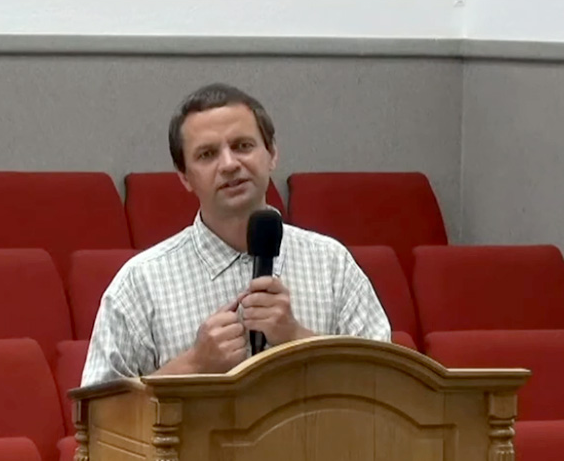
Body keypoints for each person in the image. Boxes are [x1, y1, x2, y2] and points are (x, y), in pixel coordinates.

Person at [81, 83, 391, 386]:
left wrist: (298, 338)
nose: (229, 164)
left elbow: (389, 388)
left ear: (272, 154)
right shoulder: (141, 283)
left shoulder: (331, 264)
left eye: (243, 146)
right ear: (184, 177)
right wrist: (194, 365)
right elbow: (98, 413)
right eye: (207, 154)